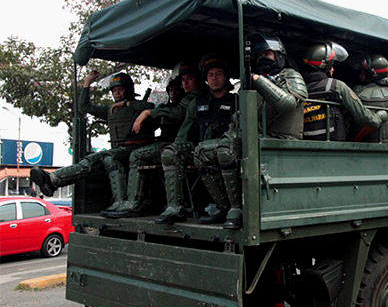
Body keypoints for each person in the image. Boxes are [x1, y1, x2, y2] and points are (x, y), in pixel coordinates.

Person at [210, 32, 308, 229]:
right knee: (203, 152)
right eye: (259, 54)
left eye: (267, 53)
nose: (263, 58)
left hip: (281, 139)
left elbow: (289, 103)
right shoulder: (252, 81)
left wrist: (258, 80)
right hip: (256, 137)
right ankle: (225, 206)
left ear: (279, 55)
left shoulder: (290, 75)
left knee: (225, 150)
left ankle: (238, 209)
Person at [31, 71, 154, 214]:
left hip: (138, 150)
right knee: (106, 159)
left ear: (128, 89)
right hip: (118, 152)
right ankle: (53, 181)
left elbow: (150, 108)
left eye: (120, 89)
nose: (117, 93)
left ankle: (54, 179)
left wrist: (127, 104)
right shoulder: (111, 110)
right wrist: (87, 83)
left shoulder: (140, 106)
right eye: (114, 90)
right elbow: (85, 106)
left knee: (99, 157)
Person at [108, 64, 201, 218]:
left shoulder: (194, 98)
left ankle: (137, 203)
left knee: (140, 155)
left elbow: (177, 114)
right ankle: (142, 202)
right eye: (182, 81)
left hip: (186, 146)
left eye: (189, 79)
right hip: (175, 144)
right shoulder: (182, 101)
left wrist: (148, 113)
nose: (184, 85)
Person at [154, 55, 235, 225]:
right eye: (210, 75)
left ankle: (228, 208)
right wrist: (177, 147)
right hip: (199, 150)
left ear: (226, 77)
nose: (214, 78)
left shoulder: (236, 100)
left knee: (210, 152)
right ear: (205, 79)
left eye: (219, 74)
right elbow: (184, 131)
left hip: (227, 150)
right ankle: (175, 208)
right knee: (170, 153)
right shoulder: (197, 102)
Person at [301, 42, 385, 141]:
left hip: (307, 140)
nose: (333, 69)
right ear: (325, 65)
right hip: (333, 145)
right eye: (332, 64)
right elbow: (362, 116)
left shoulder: (302, 88)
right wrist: (378, 118)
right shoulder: (336, 86)